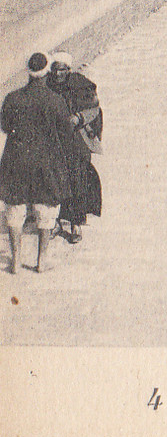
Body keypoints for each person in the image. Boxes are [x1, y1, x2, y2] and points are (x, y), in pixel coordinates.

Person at [2, 53, 85, 273]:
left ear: (28, 71)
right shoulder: (55, 100)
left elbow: (4, 125)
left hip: (16, 159)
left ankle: (16, 261)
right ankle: (41, 261)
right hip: (46, 161)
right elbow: (65, 132)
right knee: (45, 210)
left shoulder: (12, 98)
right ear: (47, 71)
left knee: (15, 209)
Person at [46, 54, 101, 245]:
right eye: (55, 69)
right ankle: (55, 222)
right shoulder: (47, 85)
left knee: (77, 179)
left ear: (69, 70)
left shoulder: (81, 84)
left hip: (76, 140)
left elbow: (94, 109)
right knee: (55, 180)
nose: (58, 73)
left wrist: (79, 117)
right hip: (55, 140)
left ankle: (76, 223)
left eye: (62, 69)